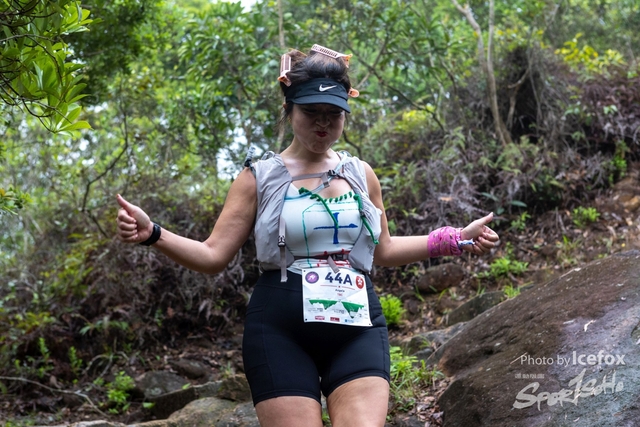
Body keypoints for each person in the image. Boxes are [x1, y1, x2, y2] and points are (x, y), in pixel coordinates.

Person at [115, 44, 500, 427]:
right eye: (311, 112)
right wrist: (153, 233)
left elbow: (383, 249)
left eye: (334, 114)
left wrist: (455, 239)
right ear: (289, 108)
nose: (323, 123)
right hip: (280, 330)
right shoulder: (258, 177)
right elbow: (213, 255)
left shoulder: (361, 174)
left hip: (356, 324)